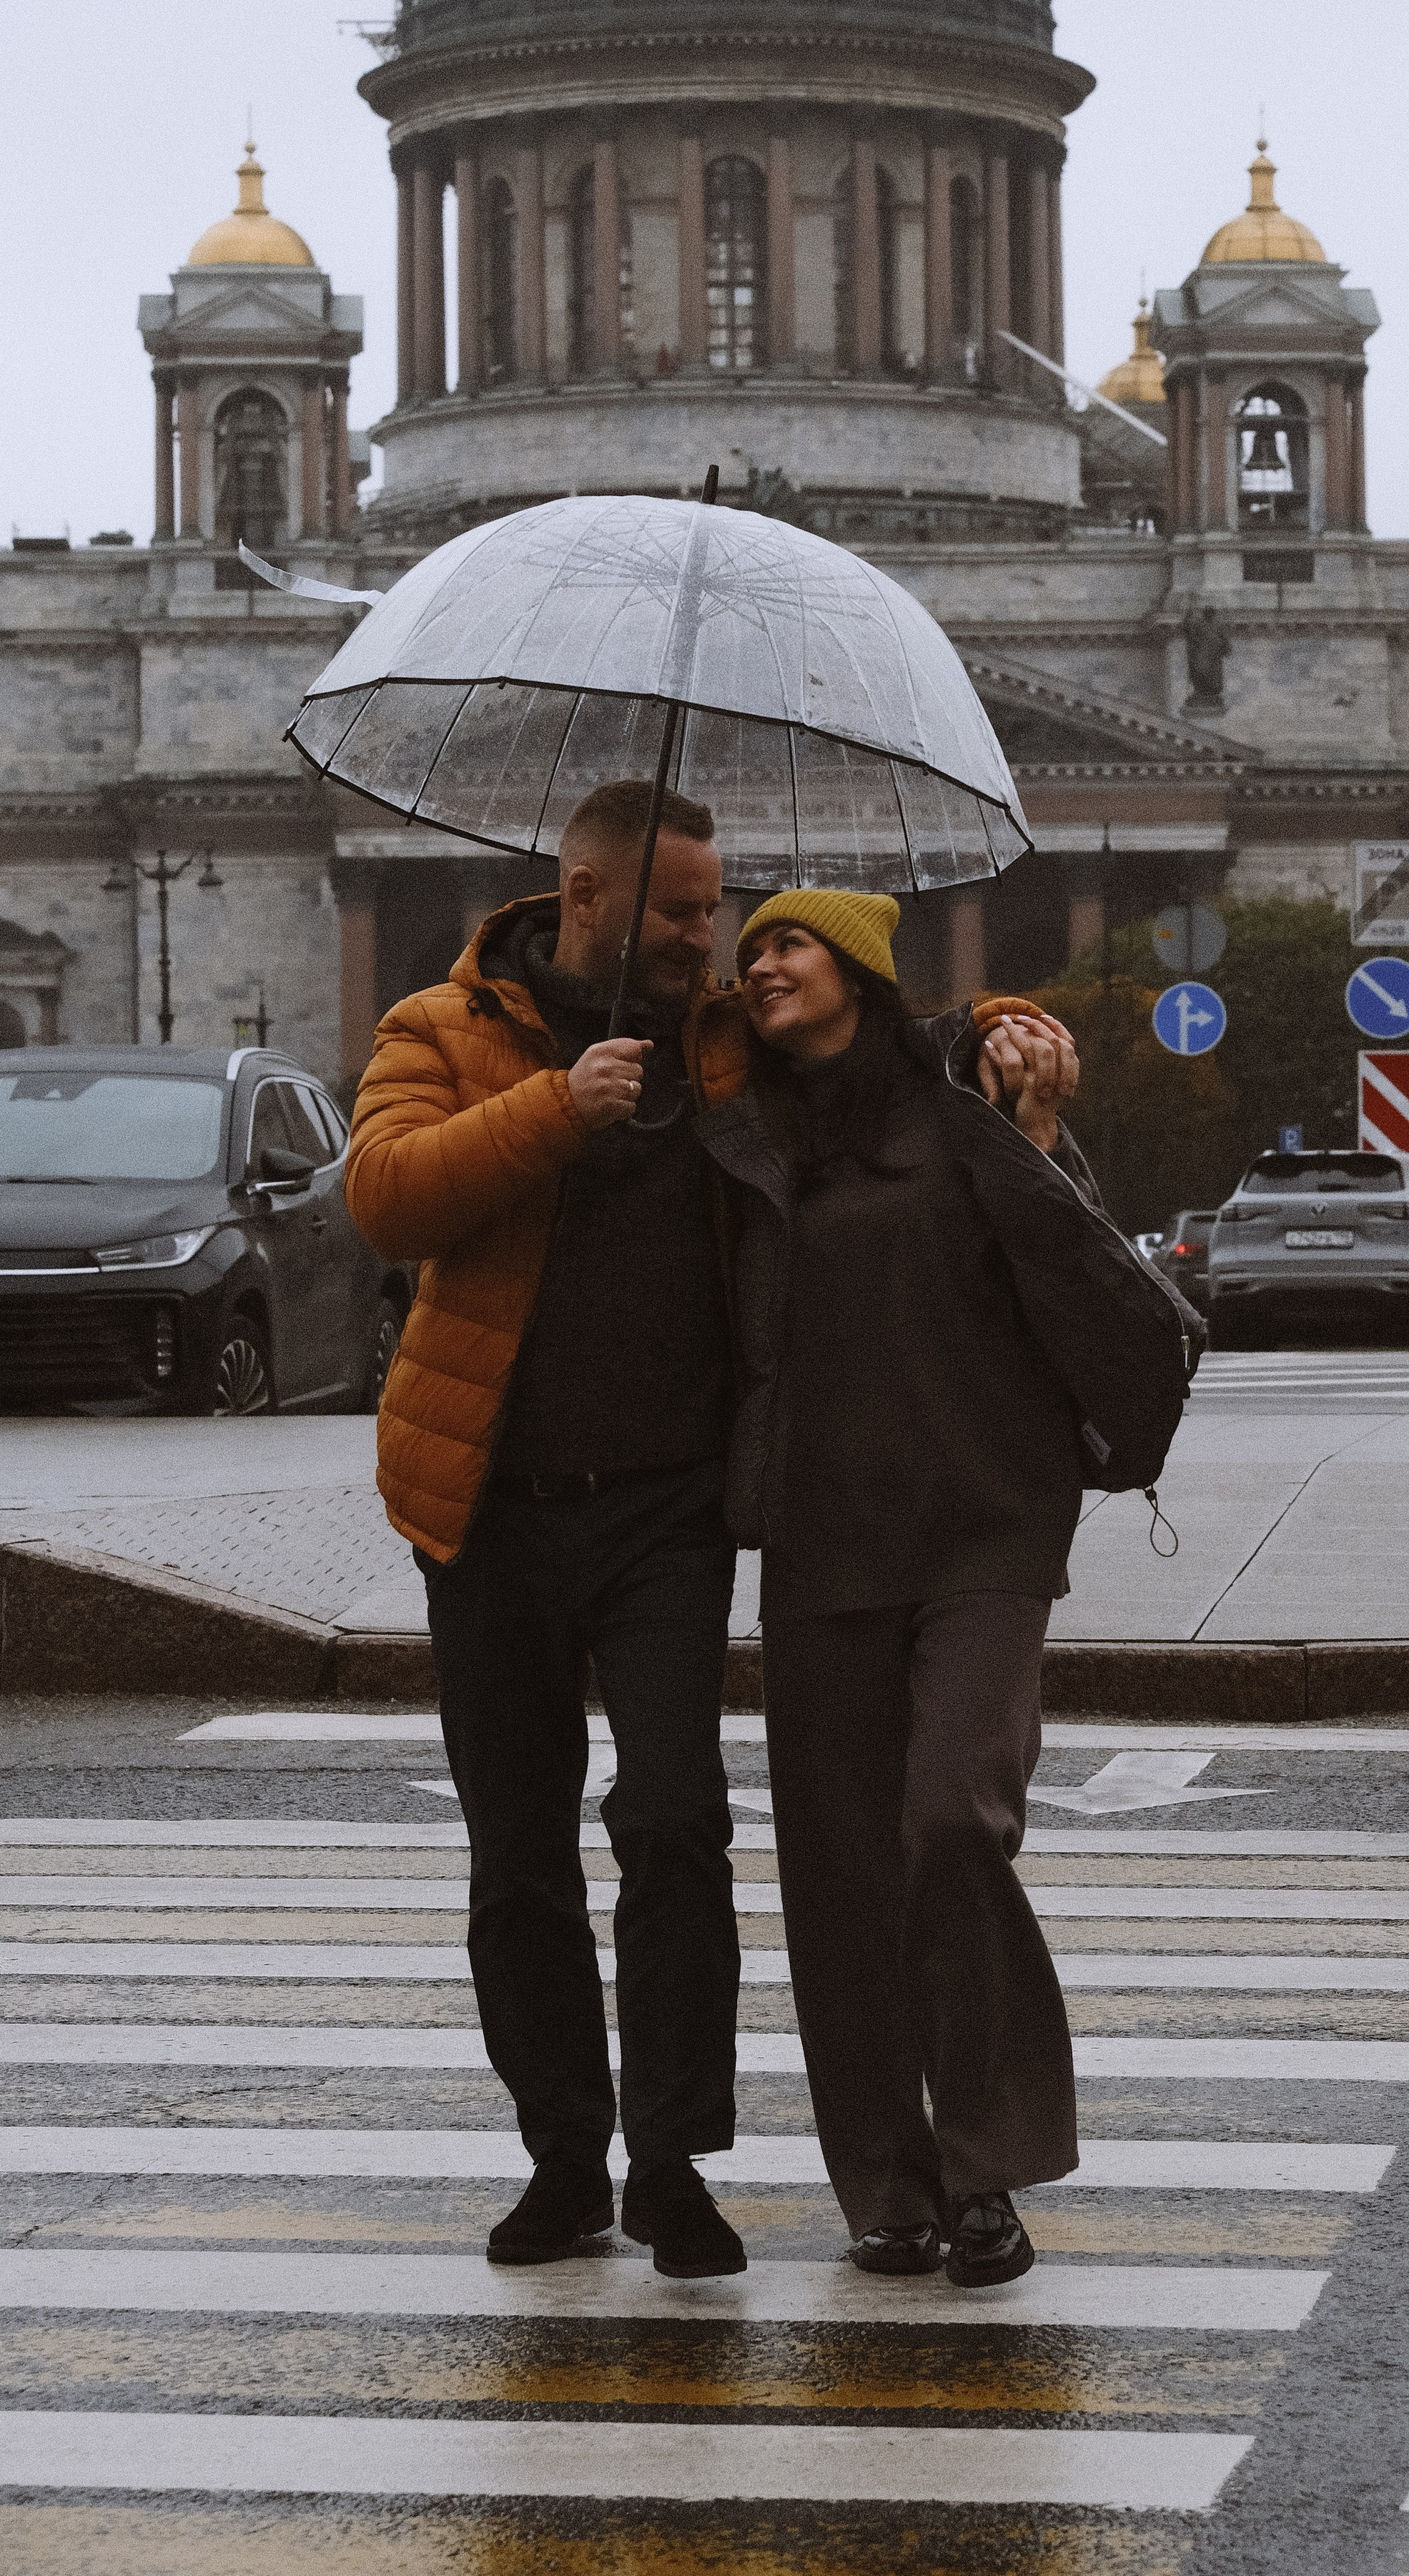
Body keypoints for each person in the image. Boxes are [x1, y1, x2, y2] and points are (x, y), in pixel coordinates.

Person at [692, 886, 1126, 2289]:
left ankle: (985, 2168)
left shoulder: (966, 1097)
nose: (761, 964)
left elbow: (1082, 1265)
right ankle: (887, 2184)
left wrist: (1037, 1130)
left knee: (951, 1820)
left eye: (789, 943)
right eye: (749, 949)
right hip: (822, 1538)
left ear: (860, 968)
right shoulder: (741, 1132)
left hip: (985, 1522)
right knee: (837, 1872)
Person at [344, 779, 749, 2279]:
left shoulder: (722, 1041)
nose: (705, 937)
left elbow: (879, 1049)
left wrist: (1011, 1037)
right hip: (490, 1505)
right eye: (679, 912)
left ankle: (673, 2163)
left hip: (668, 1508)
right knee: (518, 1852)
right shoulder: (439, 1028)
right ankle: (565, 2159)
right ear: (585, 897)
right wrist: (554, 1111)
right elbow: (385, 1198)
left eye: (714, 910)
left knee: (675, 1820)